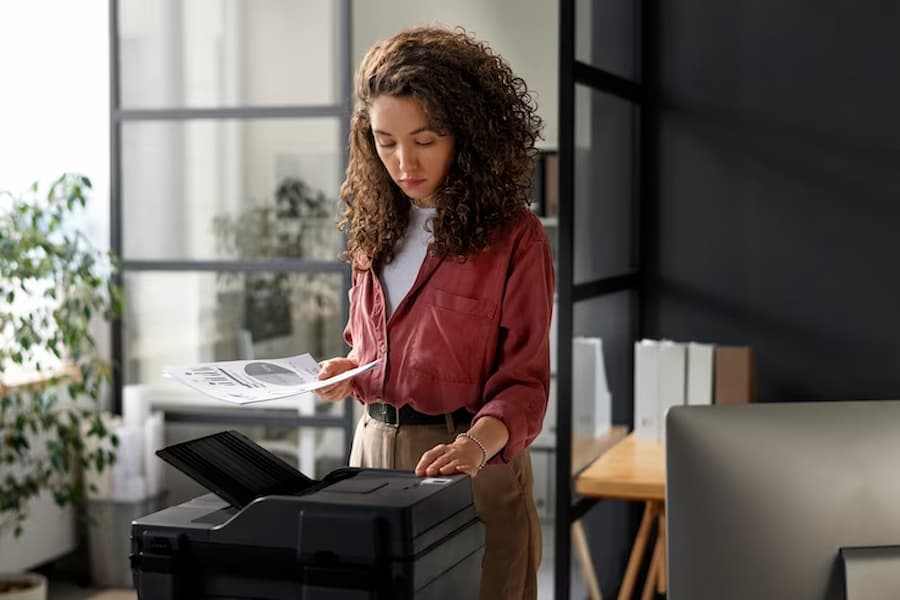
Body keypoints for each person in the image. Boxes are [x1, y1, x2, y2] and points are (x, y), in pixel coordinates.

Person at [316, 25, 554, 599]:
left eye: (424, 140)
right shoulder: (375, 227)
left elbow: (524, 384)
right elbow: (374, 346)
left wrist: (474, 447)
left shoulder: (515, 240)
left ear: (465, 133)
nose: (403, 162)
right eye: (385, 140)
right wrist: (348, 372)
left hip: (470, 466)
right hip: (370, 457)